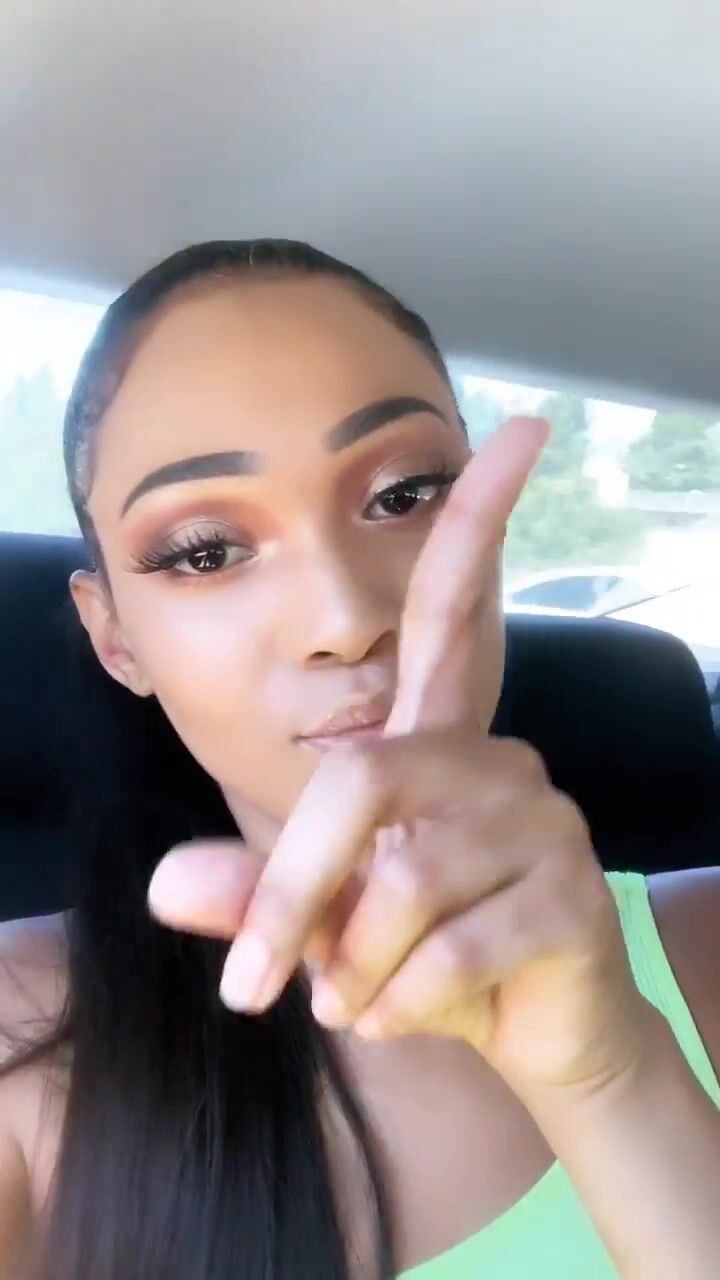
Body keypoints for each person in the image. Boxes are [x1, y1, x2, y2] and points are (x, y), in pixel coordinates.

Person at [0, 240, 719, 1280]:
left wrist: (613, 1075)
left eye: (404, 495)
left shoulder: (705, 949)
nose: (343, 618)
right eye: (206, 550)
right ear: (116, 639)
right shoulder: (22, 1036)